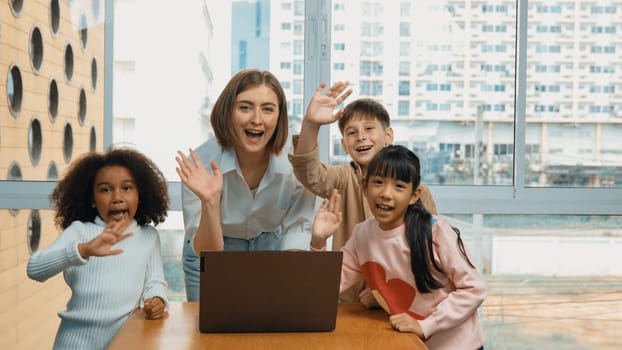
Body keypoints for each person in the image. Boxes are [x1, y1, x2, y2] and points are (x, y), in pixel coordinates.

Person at [311, 145, 486, 350]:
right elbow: (325, 289)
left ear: (414, 195)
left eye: (399, 186)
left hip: (458, 346)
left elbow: (475, 288)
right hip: (408, 343)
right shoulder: (362, 234)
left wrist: (425, 325)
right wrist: (318, 242)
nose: (386, 193)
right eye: (378, 182)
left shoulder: (435, 231)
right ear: (364, 186)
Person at [175, 68, 318, 302]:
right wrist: (210, 202)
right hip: (210, 250)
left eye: (268, 109)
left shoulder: (296, 160)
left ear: (279, 116)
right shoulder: (199, 164)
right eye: (245, 107)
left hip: (272, 244)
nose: (257, 120)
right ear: (227, 112)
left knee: (268, 330)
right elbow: (207, 252)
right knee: (209, 334)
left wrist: (290, 281)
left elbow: (298, 227)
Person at [288, 82, 438, 302]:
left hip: (402, 303)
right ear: (345, 146)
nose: (360, 136)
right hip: (348, 300)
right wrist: (311, 125)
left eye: (369, 128)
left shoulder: (416, 191)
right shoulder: (343, 178)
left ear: (388, 135)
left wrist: (386, 294)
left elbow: (430, 251)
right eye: (351, 132)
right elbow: (307, 171)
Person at [27, 147, 170, 350]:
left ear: (141, 194)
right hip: (75, 342)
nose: (117, 197)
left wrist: (156, 299)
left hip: (127, 341)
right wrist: (83, 250)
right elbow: (35, 269)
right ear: (92, 199)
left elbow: (154, 281)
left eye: (127, 188)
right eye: (105, 189)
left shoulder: (148, 236)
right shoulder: (80, 232)